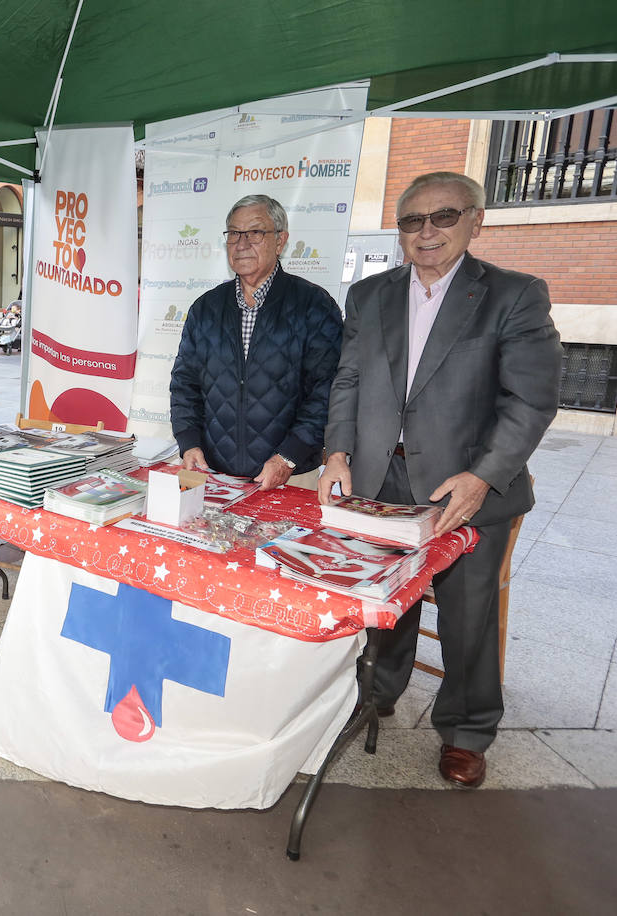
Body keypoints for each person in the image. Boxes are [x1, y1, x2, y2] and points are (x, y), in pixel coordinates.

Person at [319, 171, 561, 789]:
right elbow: (346, 381)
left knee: (467, 616)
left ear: (475, 221)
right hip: (379, 480)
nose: (427, 232)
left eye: (444, 216)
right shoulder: (369, 296)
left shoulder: (515, 295)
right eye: (412, 221)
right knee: (385, 603)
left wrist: (483, 478)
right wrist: (338, 453)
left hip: (466, 489)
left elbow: (530, 401)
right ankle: (379, 695)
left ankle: (467, 729)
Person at [170, 194, 343, 489]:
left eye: (255, 232)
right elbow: (185, 385)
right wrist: (189, 443)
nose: (241, 243)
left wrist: (289, 456)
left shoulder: (314, 305)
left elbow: (326, 392)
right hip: (214, 475)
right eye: (234, 233)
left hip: (290, 475)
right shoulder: (206, 308)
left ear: (280, 240)